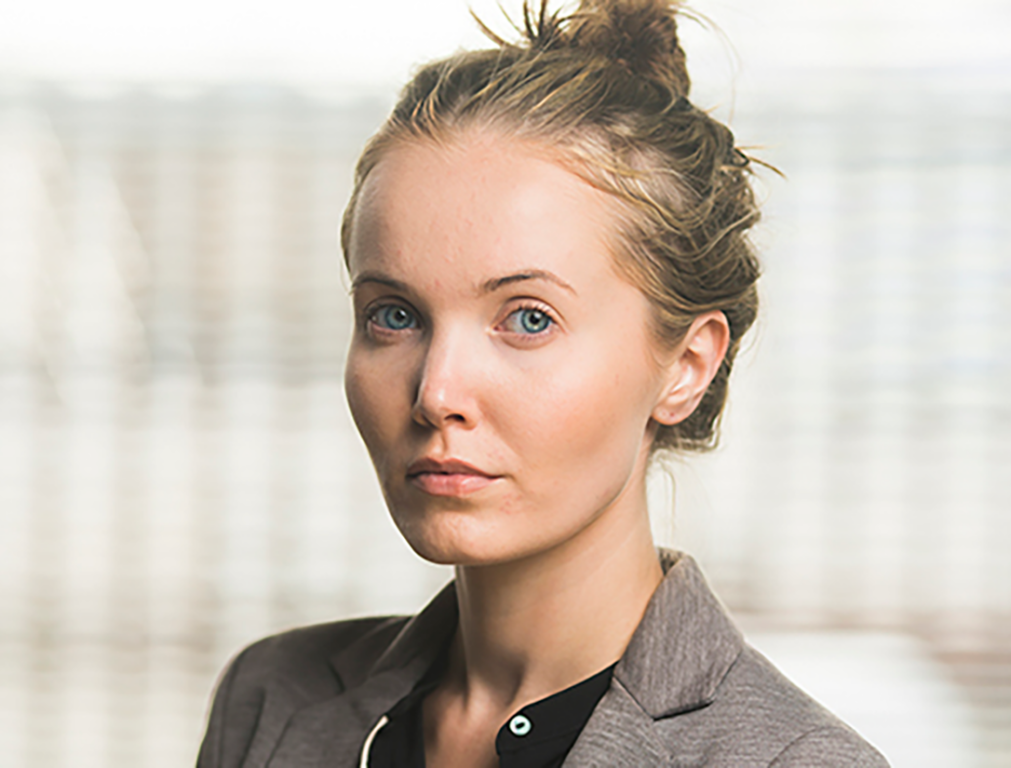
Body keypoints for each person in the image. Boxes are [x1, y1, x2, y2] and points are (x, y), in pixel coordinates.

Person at [196, 1, 889, 766]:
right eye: (394, 315)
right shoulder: (271, 702)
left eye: (528, 319)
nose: (436, 394)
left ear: (687, 365)